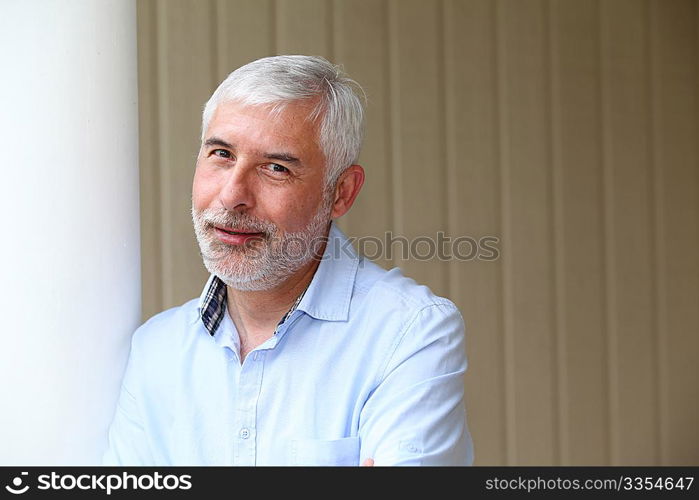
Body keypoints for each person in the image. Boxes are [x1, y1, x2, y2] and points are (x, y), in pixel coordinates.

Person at [103, 55, 474, 466]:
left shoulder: (410, 333)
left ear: (341, 193)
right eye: (222, 154)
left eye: (275, 167)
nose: (232, 195)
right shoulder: (157, 348)